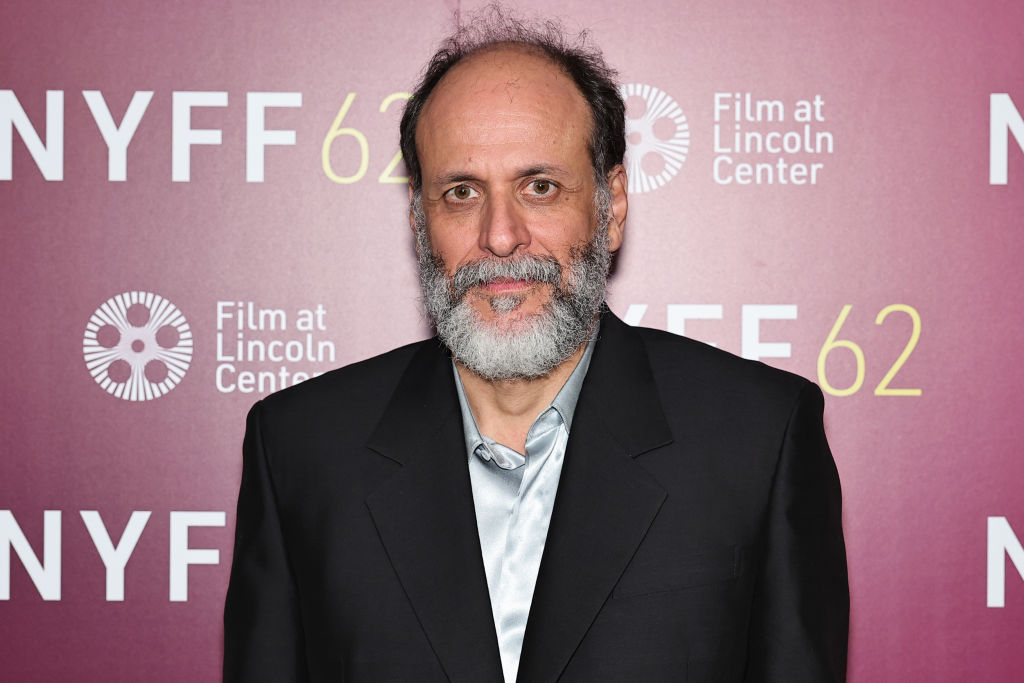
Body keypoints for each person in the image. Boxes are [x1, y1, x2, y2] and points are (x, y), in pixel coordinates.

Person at [224, 10, 849, 683]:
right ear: (419, 219)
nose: (500, 235)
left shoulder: (757, 439)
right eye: (461, 192)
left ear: (610, 204)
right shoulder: (301, 450)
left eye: (539, 187)